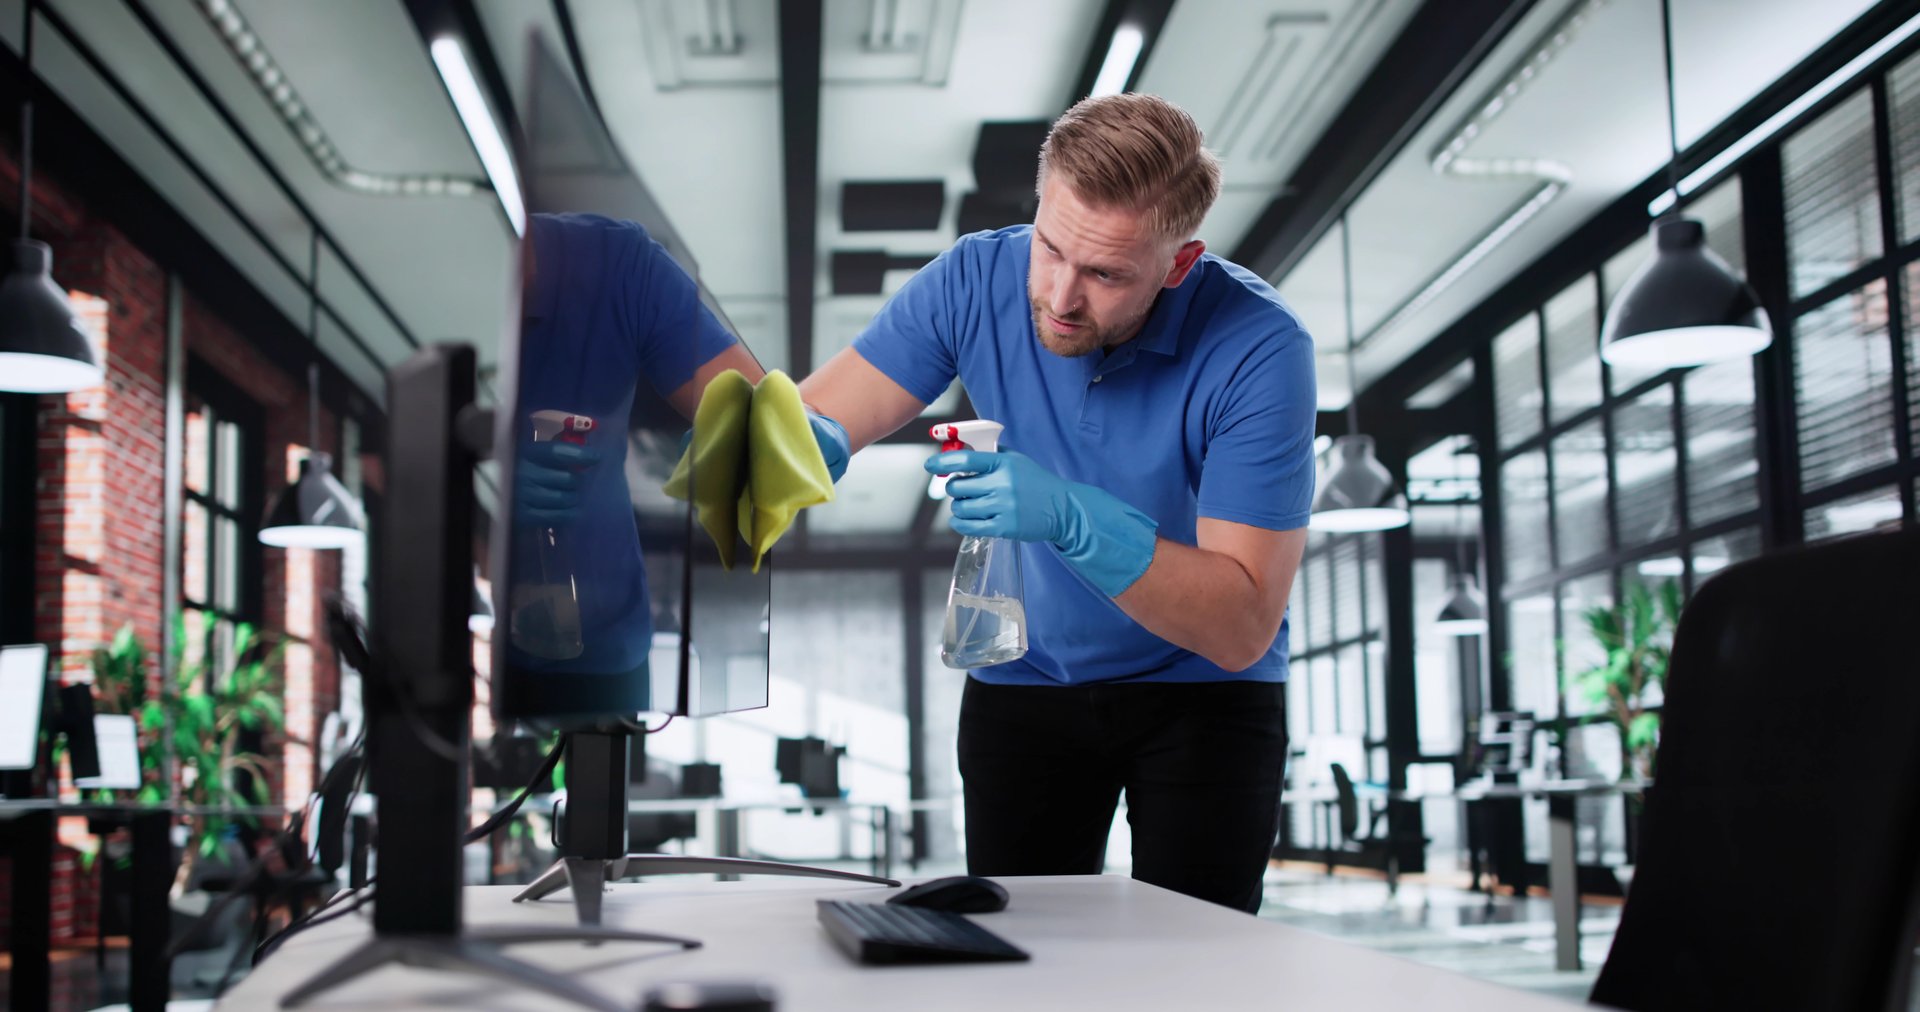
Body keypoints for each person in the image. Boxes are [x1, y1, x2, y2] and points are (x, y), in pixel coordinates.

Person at [799, 94, 1316, 913]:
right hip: (1029, 682)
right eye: (1050, 249)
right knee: (1023, 959)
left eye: (1107, 274)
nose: (1062, 297)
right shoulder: (977, 277)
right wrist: (790, 447)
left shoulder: (1259, 348)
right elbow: (814, 416)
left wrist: (1077, 522)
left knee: (1204, 972)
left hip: (1203, 692)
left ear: (1178, 264)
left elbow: (1240, 626)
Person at [508, 212, 848, 703]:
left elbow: (747, 410)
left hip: (598, 645)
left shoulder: (614, 263)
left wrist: (794, 436)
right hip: (443, 630)